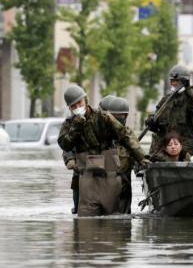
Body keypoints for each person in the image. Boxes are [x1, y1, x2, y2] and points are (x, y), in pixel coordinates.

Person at [58, 85, 149, 217]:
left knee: (114, 218)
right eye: (74, 106)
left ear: (85, 100)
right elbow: (65, 145)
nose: (78, 107)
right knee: (86, 222)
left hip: (109, 174)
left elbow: (125, 136)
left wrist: (141, 158)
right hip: (87, 177)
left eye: (80, 103)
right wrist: (76, 127)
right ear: (70, 108)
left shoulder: (103, 117)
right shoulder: (69, 124)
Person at [145, 65, 193, 155]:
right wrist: (150, 122)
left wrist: (189, 90)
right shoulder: (165, 100)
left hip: (184, 146)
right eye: (172, 81)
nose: (174, 83)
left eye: (177, 81)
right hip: (165, 145)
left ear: (185, 81)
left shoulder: (191, 99)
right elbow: (156, 121)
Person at [110, 97, 138, 214]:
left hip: (124, 190)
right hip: (106, 187)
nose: (118, 119)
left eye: (121, 116)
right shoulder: (103, 135)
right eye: (115, 116)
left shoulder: (129, 136)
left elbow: (138, 158)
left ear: (126, 116)